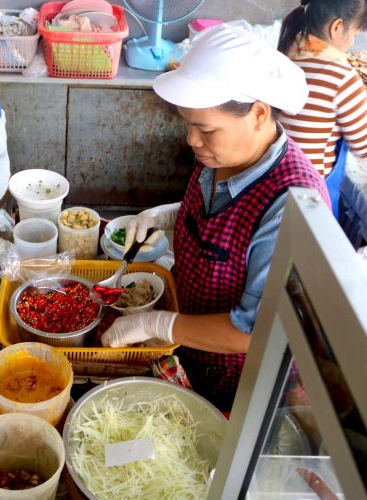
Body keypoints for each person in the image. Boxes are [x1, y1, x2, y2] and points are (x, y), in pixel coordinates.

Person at [101, 25, 331, 412]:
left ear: (259, 114)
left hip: (241, 382)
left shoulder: (290, 203)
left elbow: (255, 329)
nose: (192, 140)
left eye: (205, 129)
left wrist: (157, 325)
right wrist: (167, 216)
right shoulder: (222, 157)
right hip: (194, 352)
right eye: (189, 125)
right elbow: (218, 223)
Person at [277, 0, 367, 213]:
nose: (352, 42)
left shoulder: (289, 47)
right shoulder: (340, 75)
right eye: (354, 33)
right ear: (336, 27)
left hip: (275, 180)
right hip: (306, 194)